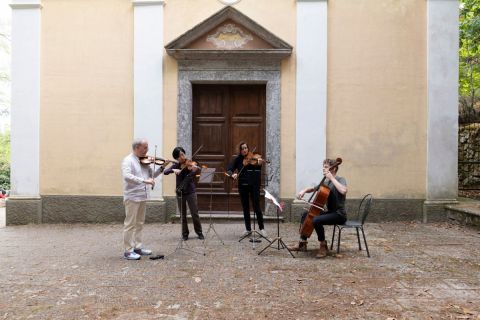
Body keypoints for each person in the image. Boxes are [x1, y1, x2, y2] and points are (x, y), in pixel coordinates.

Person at [288, 158, 347, 258]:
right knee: (306, 214)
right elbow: (314, 188)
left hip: (339, 214)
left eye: (326, 167)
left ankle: (323, 245)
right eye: (323, 167)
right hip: (330, 212)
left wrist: (332, 178)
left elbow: (344, 191)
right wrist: (304, 190)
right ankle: (302, 242)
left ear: (334, 169)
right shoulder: (326, 182)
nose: (323, 169)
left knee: (316, 220)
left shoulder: (340, 179)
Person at [121, 139, 168, 260]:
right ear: (137, 148)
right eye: (145, 148)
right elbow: (127, 176)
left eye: (147, 148)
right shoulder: (128, 160)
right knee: (130, 224)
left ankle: (137, 247)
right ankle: (128, 250)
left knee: (140, 223)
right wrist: (144, 181)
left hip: (143, 196)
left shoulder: (145, 161)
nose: (147, 150)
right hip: (132, 196)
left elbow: (152, 176)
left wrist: (162, 167)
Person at [227, 142, 267, 238]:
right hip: (243, 186)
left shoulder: (253, 158)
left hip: (254, 185)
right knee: (246, 208)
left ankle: (262, 229)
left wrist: (260, 163)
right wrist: (232, 174)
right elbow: (229, 170)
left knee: (257, 207)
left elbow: (257, 168)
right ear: (240, 150)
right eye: (243, 148)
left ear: (248, 149)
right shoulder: (237, 159)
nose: (245, 150)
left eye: (246, 148)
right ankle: (248, 229)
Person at [164, 147, 204, 241]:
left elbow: (197, 170)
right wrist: (174, 170)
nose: (183, 157)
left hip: (190, 191)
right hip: (180, 192)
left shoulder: (190, 163)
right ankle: (185, 234)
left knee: (194, 213)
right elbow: (165, 172)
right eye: (180, 155)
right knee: (183, 215)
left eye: (183, 154)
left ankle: (199, 232)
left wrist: (193, 169)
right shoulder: (176, 165)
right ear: (177, 158)